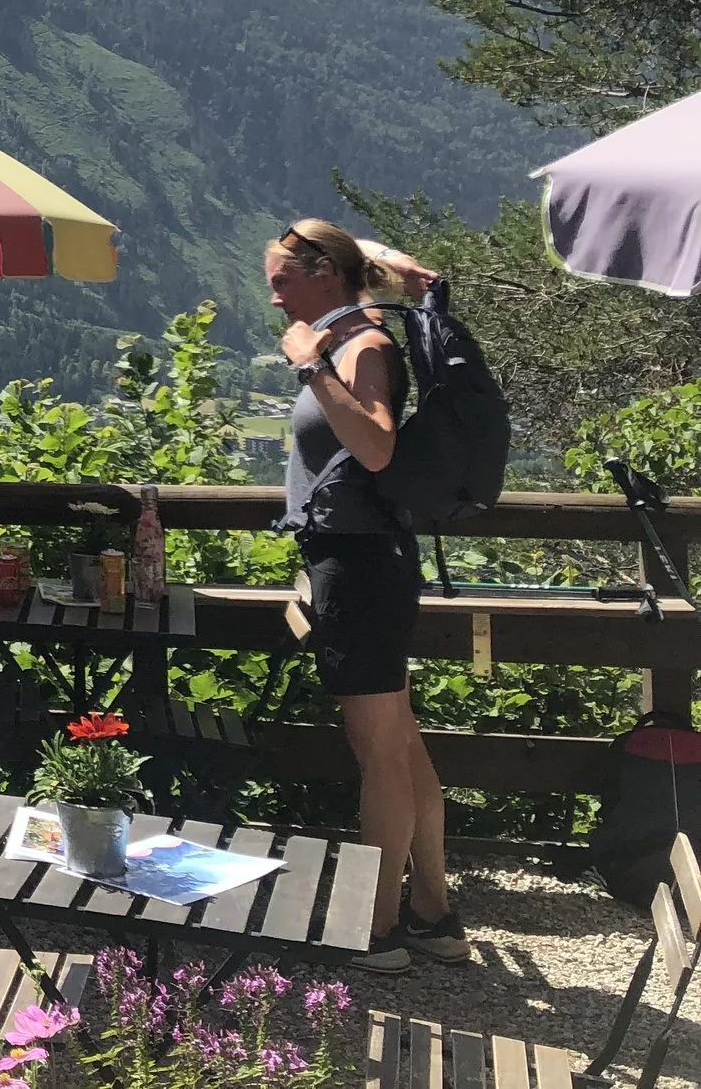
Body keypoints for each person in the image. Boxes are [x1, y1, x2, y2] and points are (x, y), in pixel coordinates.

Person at [270, 216, 462, 972]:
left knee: (378, 752)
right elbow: (348, 253)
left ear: (323, 275)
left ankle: (375, 930)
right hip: (359, 559)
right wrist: (389, 263)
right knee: (401, 745)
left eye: (283, 280)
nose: (275, 296)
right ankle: (434, 913)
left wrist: (310, 367)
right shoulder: (354, 327)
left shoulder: (363, 347)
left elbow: (377, 445)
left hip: (361, 566)